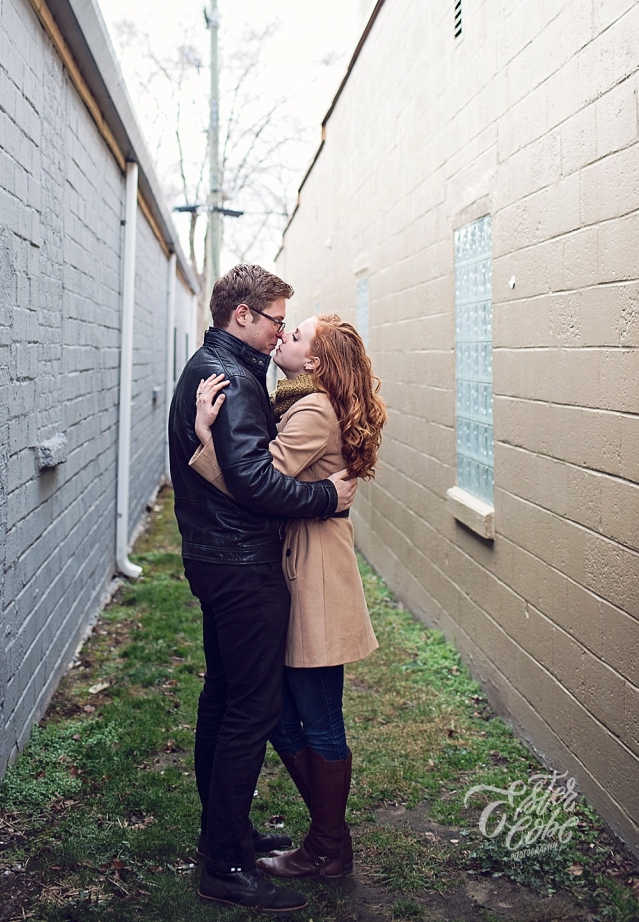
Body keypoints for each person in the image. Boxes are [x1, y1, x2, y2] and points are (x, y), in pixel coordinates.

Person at [168, 265, 357, 913]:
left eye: (289, 325)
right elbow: (257, 482)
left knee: (226, 700)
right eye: (277, 318)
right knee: (250, 711)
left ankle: (228, 836)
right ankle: (224, 861)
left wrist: (204, 441)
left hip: (219, 559)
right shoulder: (233, 379)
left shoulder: (219, 370)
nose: (280, 333)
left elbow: (246, 470)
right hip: (242, 566)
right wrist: (326, 496)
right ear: (242, 315)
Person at [191, 312, 386, 881]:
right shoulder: (299, 401)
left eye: (296, 335)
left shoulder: (312, 409)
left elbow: (259, 485)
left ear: (317, 362)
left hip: (316, 574)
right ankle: (331, 839)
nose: (284, 337)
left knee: (319, 719)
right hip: (301, 563)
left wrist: (207, 441)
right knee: (278, 712)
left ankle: (328, 845)